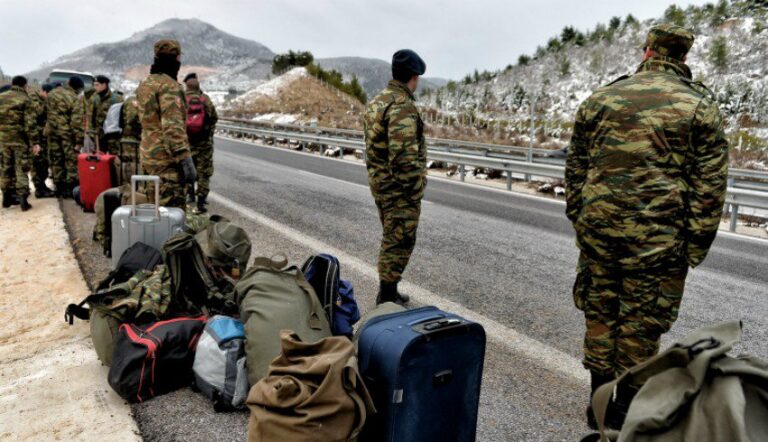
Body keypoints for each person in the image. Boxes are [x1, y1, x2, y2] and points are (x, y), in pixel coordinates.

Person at [565, 24, 729, 430]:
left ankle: (597, 404)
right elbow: (709, 187)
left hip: (599, 236)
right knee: (640, 327)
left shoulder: (600, 98)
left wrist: (582, 219)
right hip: (658, 243)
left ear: (647, 52)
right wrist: (694, 246)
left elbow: (575, 168)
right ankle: (624, 409)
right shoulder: (698, 106)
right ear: (683, 57)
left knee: (600, 316)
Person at [363, 49, 428, 305]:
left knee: (392, 237)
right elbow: (403, 158)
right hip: (398, 190)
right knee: (399, 241)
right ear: (414, 77)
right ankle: (387, 297)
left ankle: (389, 291)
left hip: (381, 185)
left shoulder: (378, 101)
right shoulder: (401, 105)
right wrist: (416, 188)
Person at [136, 39, 196, 209]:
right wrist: (184, 159)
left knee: (151, 210)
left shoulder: (145, 84)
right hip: (165, 162)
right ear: (177, 58)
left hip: (148, 156)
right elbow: (172, 128)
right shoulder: (169, 87)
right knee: (169, 214)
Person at [0, 76, 41, 211]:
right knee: (21, 168)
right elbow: (30, 124)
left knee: (5, 167)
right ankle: (23, 200)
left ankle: (6, 198)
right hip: (20, 140)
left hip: (3, 140)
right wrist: (35, 142)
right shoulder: (25, 99)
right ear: (24, 85)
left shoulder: (1, 97)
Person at [183, 72, 218, 213]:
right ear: (198, 86)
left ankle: (190, 195)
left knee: (188, 170)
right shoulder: (205, 99)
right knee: (204, 172)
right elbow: (214, 117)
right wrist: (208, 134)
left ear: (187, 86)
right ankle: (201, 201)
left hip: (187, 143)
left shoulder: (181, 100)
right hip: (204, 144)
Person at [48, 76, 84, 197]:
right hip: (67, 134)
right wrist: (79, 140)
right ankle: (70, 189)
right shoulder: (75, 98)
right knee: (71, 160)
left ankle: (59, 188)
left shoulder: (52, 93)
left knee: (56, 159)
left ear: (68, 82)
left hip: (52, 132)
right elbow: (76, 121)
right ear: (78, 88)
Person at [30, 83, 56, 197]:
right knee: (38, 162)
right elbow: (38, 112)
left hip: (42, 136)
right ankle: (39, 189)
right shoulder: (33, 98)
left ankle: (42, 186)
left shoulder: (41, 99)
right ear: (44, 92)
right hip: (36, 136)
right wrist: (47, 102)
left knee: (43, 162)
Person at [89, 75, 123, 153]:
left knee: (113, 157)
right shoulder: (95, 99)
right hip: (99, 137)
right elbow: (92, 117)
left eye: (97, 85)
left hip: (113, 137)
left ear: (104, 85)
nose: (95, 87)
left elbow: (122, 118)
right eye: (94, 85)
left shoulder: (117, 99)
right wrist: (92, 134)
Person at [119, 94, 142, 184]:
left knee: (129, 163)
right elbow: (132, 119)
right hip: (132, 140)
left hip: (129, 138)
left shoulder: (132, 99)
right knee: (132, 164)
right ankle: (131, 187)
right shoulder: (134, 100)